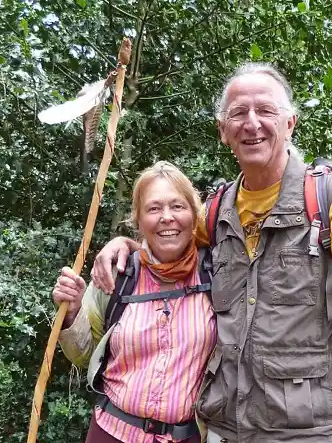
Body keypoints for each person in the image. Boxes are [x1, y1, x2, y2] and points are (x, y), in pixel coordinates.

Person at [90, 63, 332, 443]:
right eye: (239, 113)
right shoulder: (215, 211)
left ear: (290, 123)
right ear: (223, 131)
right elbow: (167, 246)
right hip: (224, 424)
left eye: (266, 110)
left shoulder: (331, 199)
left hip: (303, 432)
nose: (252, 123)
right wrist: (126, 245)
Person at [53, 161, 217, 443]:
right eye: (154, 209)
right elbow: (82, 355)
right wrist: (73, 309)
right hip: (111, 433)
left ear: (194, 215)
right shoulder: (116, 275)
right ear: (138, 220)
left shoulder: (217, 273)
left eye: (178, 206)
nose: (167, 217)